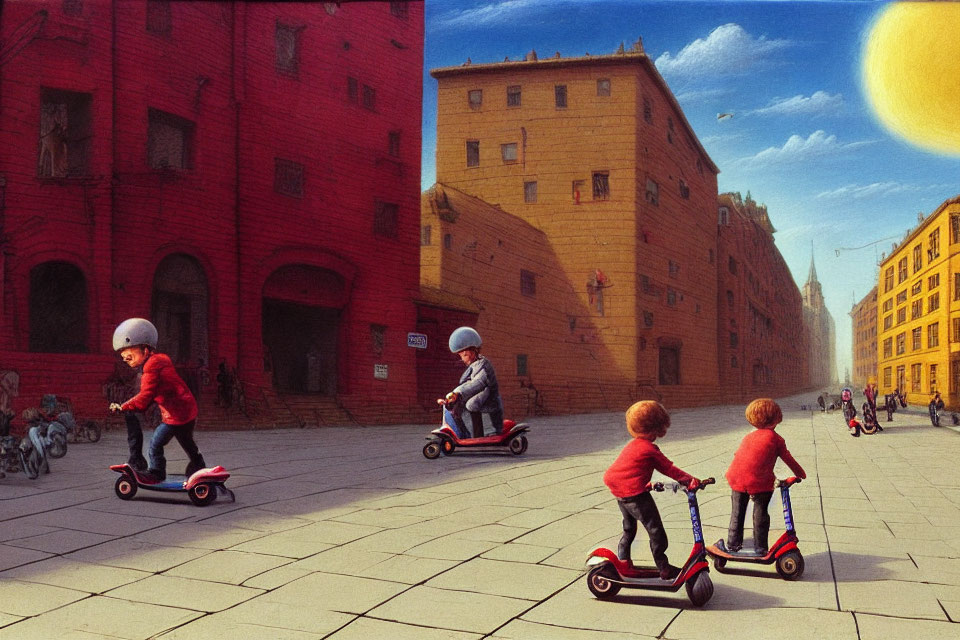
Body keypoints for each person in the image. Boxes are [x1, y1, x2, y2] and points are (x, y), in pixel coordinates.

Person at [602, 400, 701, 580]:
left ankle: (623, 561)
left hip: (620, 492)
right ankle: (663, 567)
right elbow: (669, 469)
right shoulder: (649, 449)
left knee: (629, 529)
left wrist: (644, 483)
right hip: (634, 494)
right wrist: (690, 480)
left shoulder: (633, 444)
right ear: (658, 426)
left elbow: (629, 469)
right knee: (656, 531)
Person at [109, 318, 205, 483]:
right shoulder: (159, 361)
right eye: (123, 356)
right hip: (186, 410)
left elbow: (145, 397)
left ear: (145, 350)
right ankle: (198, 465)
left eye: (129, 355)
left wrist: (123, 407)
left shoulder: (152, 368)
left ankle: (156, 473)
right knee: (186, 441)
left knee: (155, 445)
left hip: (176, 415)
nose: (125, 359)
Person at [721, 398, 806, 555]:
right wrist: (800, 474)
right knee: (760, 512)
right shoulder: (776, 439)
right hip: (759, 481)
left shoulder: (748, 437)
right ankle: (760, 547)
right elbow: (789, 459)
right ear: (776, 418)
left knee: (737, 512)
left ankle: (733, 544)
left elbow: (739, 455)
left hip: (736, 477)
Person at [437, 327, 503, 438]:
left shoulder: (484, 365)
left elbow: (478, 383)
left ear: (471, 352)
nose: (462, 359)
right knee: (458, 404)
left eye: (463, 355)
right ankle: (466, 434)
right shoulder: (474, 365)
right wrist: (455, 393)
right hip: (483, 394)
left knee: (471, 405)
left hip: (489, 397)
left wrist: (459, 393)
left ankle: (478, 435)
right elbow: (466, 382)